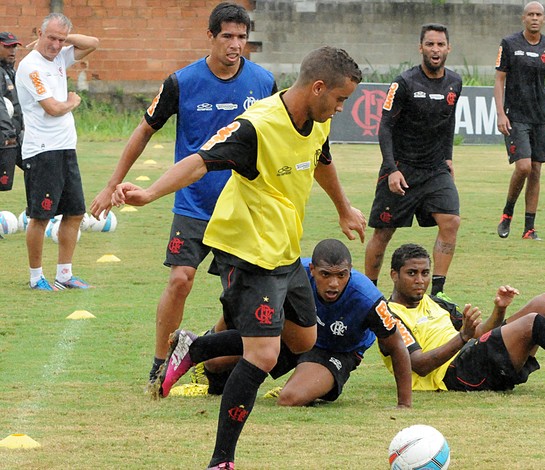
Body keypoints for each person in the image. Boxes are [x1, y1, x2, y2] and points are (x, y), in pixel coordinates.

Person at [112, 46, 365, 470]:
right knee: (263, 354)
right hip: (246, 251)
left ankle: (194, 348)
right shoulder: (257, 126)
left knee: (303, 341)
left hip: (284, 249)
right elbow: (199, 161)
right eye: (340, 99)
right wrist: (150, 193)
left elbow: (320, 160)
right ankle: (221, 460)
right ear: (318, 88)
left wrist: (342, 207)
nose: (342, 108)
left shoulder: (317, 121)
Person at [90, 2, 277, 383]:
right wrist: (113, 183)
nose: (235, 44)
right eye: (227, 36)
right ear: (210, 36)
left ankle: (211, 357)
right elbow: (145, 129)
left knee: (238, 295)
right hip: (193, 203)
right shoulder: (181, 82)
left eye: (242, 37)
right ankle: (160, 363)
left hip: (242, 207)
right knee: (180, 280)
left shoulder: (264, 82)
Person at [154, 239, 412, 408]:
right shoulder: (294, 274)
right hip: (292, 339)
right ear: (312, 270)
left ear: (350, 272)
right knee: (215, 363)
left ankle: (200, 346)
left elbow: (396, 346)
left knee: (289, 399)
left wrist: (404, 405)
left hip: (337, 351)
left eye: (341, 276)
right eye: (325, 275)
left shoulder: (367, 298)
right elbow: (246, 303)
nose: (334, 284)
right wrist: (219, 333)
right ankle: (200, 346)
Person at [380, 243, 545, 392]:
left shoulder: (435, 302)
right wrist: (463, 337)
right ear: (394, 275)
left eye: (424, 273)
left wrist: (499, 310)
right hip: (452, 374)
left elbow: (481, 334)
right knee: (531, 323)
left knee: (544, 302)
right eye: (411, 273)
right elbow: (419, 365)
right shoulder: (389, 316)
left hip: (472, 352)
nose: (420, 280)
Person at [365, 23, 462, 298]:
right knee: (383, 233)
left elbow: (449, 121)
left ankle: (438, 294)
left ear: (448, 48)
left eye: (440, 44)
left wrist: (448, 157)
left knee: (451, 221)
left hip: (435, 170)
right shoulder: (404, 82)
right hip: (402, 169)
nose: (435, 49)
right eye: (430, 44)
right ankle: (370, 294)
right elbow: (385, 127)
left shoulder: (455, 82)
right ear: (421, 48)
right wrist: (392, 169)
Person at [15, 13, 99, 291]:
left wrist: (66, 39)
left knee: (75, 213)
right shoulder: (30, 67)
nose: (55, 44)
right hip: (42, 151)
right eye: (50, 37)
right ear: (38, 34)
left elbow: (93, 42)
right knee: (40, 216)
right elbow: (52, 107)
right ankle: (35, 276)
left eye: (60, 39)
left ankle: (64, 274)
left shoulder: (60, 57)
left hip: (65, 148)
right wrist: (72, 101)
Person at [495, 1, 545, 240]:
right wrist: (500, 113)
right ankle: (507, 213)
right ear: (523, 18)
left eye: (539, 15)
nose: (534, 18)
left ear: (544, 19)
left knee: (536, 170)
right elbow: (499, 80)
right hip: (516, 115)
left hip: (540, 118)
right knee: (523, 167)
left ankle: (529, 228)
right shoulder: (509, 44)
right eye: (530, 14)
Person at [0, 31, 23, 193]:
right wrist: (8, 134)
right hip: (6, 138)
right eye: (8, 46)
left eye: (14, 46)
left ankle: (39, 213)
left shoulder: (11, 71)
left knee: (36, 169)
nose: (12, 50)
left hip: (16, 136)